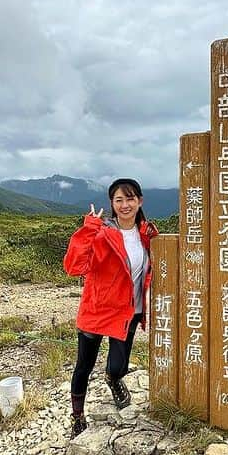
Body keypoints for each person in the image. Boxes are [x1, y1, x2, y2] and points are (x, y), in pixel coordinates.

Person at [63, 178, 157, 438]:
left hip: (128, 312)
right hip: (97, 309)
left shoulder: (148, 234)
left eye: (130, 199)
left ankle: (113, 380)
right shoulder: (102, 233)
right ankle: (78, 417)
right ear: (112, 204)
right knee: (84, 365)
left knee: (118, 367)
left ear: (140, 201)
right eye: (119, 200)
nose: (125, 205)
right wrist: (88, 229)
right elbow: (74, 267)